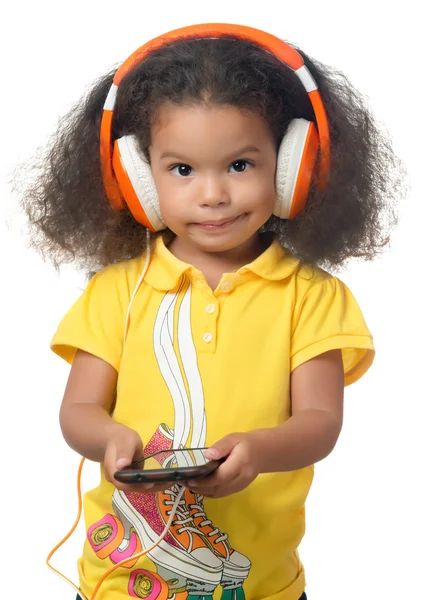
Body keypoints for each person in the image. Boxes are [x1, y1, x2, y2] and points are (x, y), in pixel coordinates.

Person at [19, 23, 404, 600]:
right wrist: (110, 441)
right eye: (182, 170)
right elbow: (78, 407)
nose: (212, 195)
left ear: (293, 166)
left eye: (240, 166)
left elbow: (320, 422)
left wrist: (261, 451)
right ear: (137, 177)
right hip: (121, 582)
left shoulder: (313, 296)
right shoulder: (117, 290)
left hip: (261, 585)